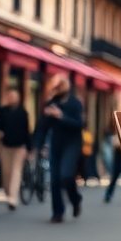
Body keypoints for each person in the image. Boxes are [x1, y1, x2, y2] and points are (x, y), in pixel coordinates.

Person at [36, 73, 85, 223]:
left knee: (66, 175)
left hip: (72, 144)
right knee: (55, 179)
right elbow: (42, 127)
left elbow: (79, 124)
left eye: (60, 86)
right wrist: (38, 145)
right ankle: (58, 212)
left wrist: (61, 116)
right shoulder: (51, 103)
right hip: (55, 144)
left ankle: (75, 199)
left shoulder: (75, 103)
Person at [0, 89, 31, 211]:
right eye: (10, 96)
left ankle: (13, 197)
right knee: (6, 171)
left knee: (16, 171)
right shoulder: (0, 111)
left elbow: (27, 131)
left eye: (14, 96)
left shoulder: (23, 113)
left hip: (19, 146)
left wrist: (28, 148)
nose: (11, 99)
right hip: (5, 145)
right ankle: (7, 192)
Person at [101, 122, 121, 203]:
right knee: (114, 179)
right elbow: (116, 145)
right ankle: (108, 195)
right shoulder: (115, 137)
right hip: (117, 163)